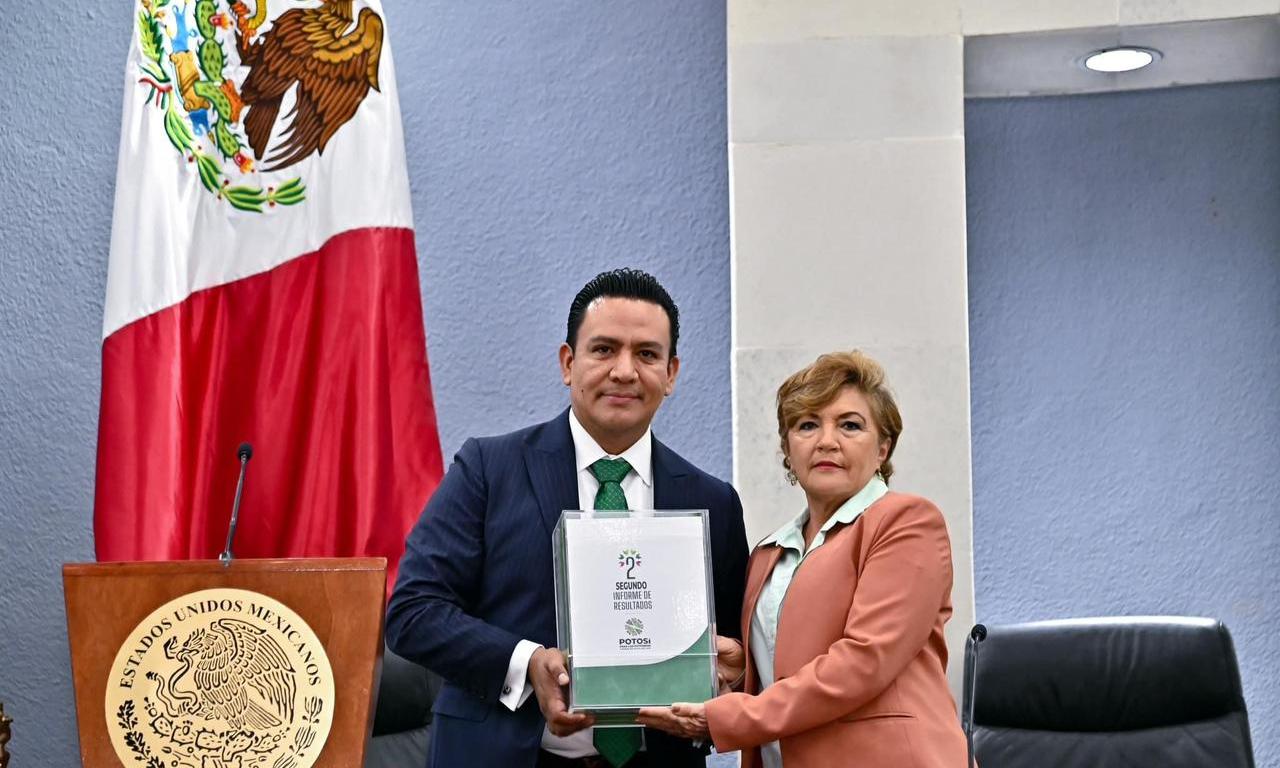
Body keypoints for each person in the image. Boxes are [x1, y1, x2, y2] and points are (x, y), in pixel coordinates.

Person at [386, 268, 749, 768]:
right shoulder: (489, 469)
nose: (624, 371)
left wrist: (731, 675)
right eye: (604, 350)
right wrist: (526, 662)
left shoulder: (713, 502)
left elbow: (731, 655)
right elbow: (413, 612)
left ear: (671, 374)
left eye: (647, 354)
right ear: (568, 363)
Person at [637, 351, 969, 767]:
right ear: (788, 450)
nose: (827, 441)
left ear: (883, 448)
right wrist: (742, 673)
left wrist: (728, 717)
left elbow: (863, 662)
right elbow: (787, 671)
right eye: (807, 425)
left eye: (850, 425)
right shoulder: (768, 553)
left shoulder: (906, 522)